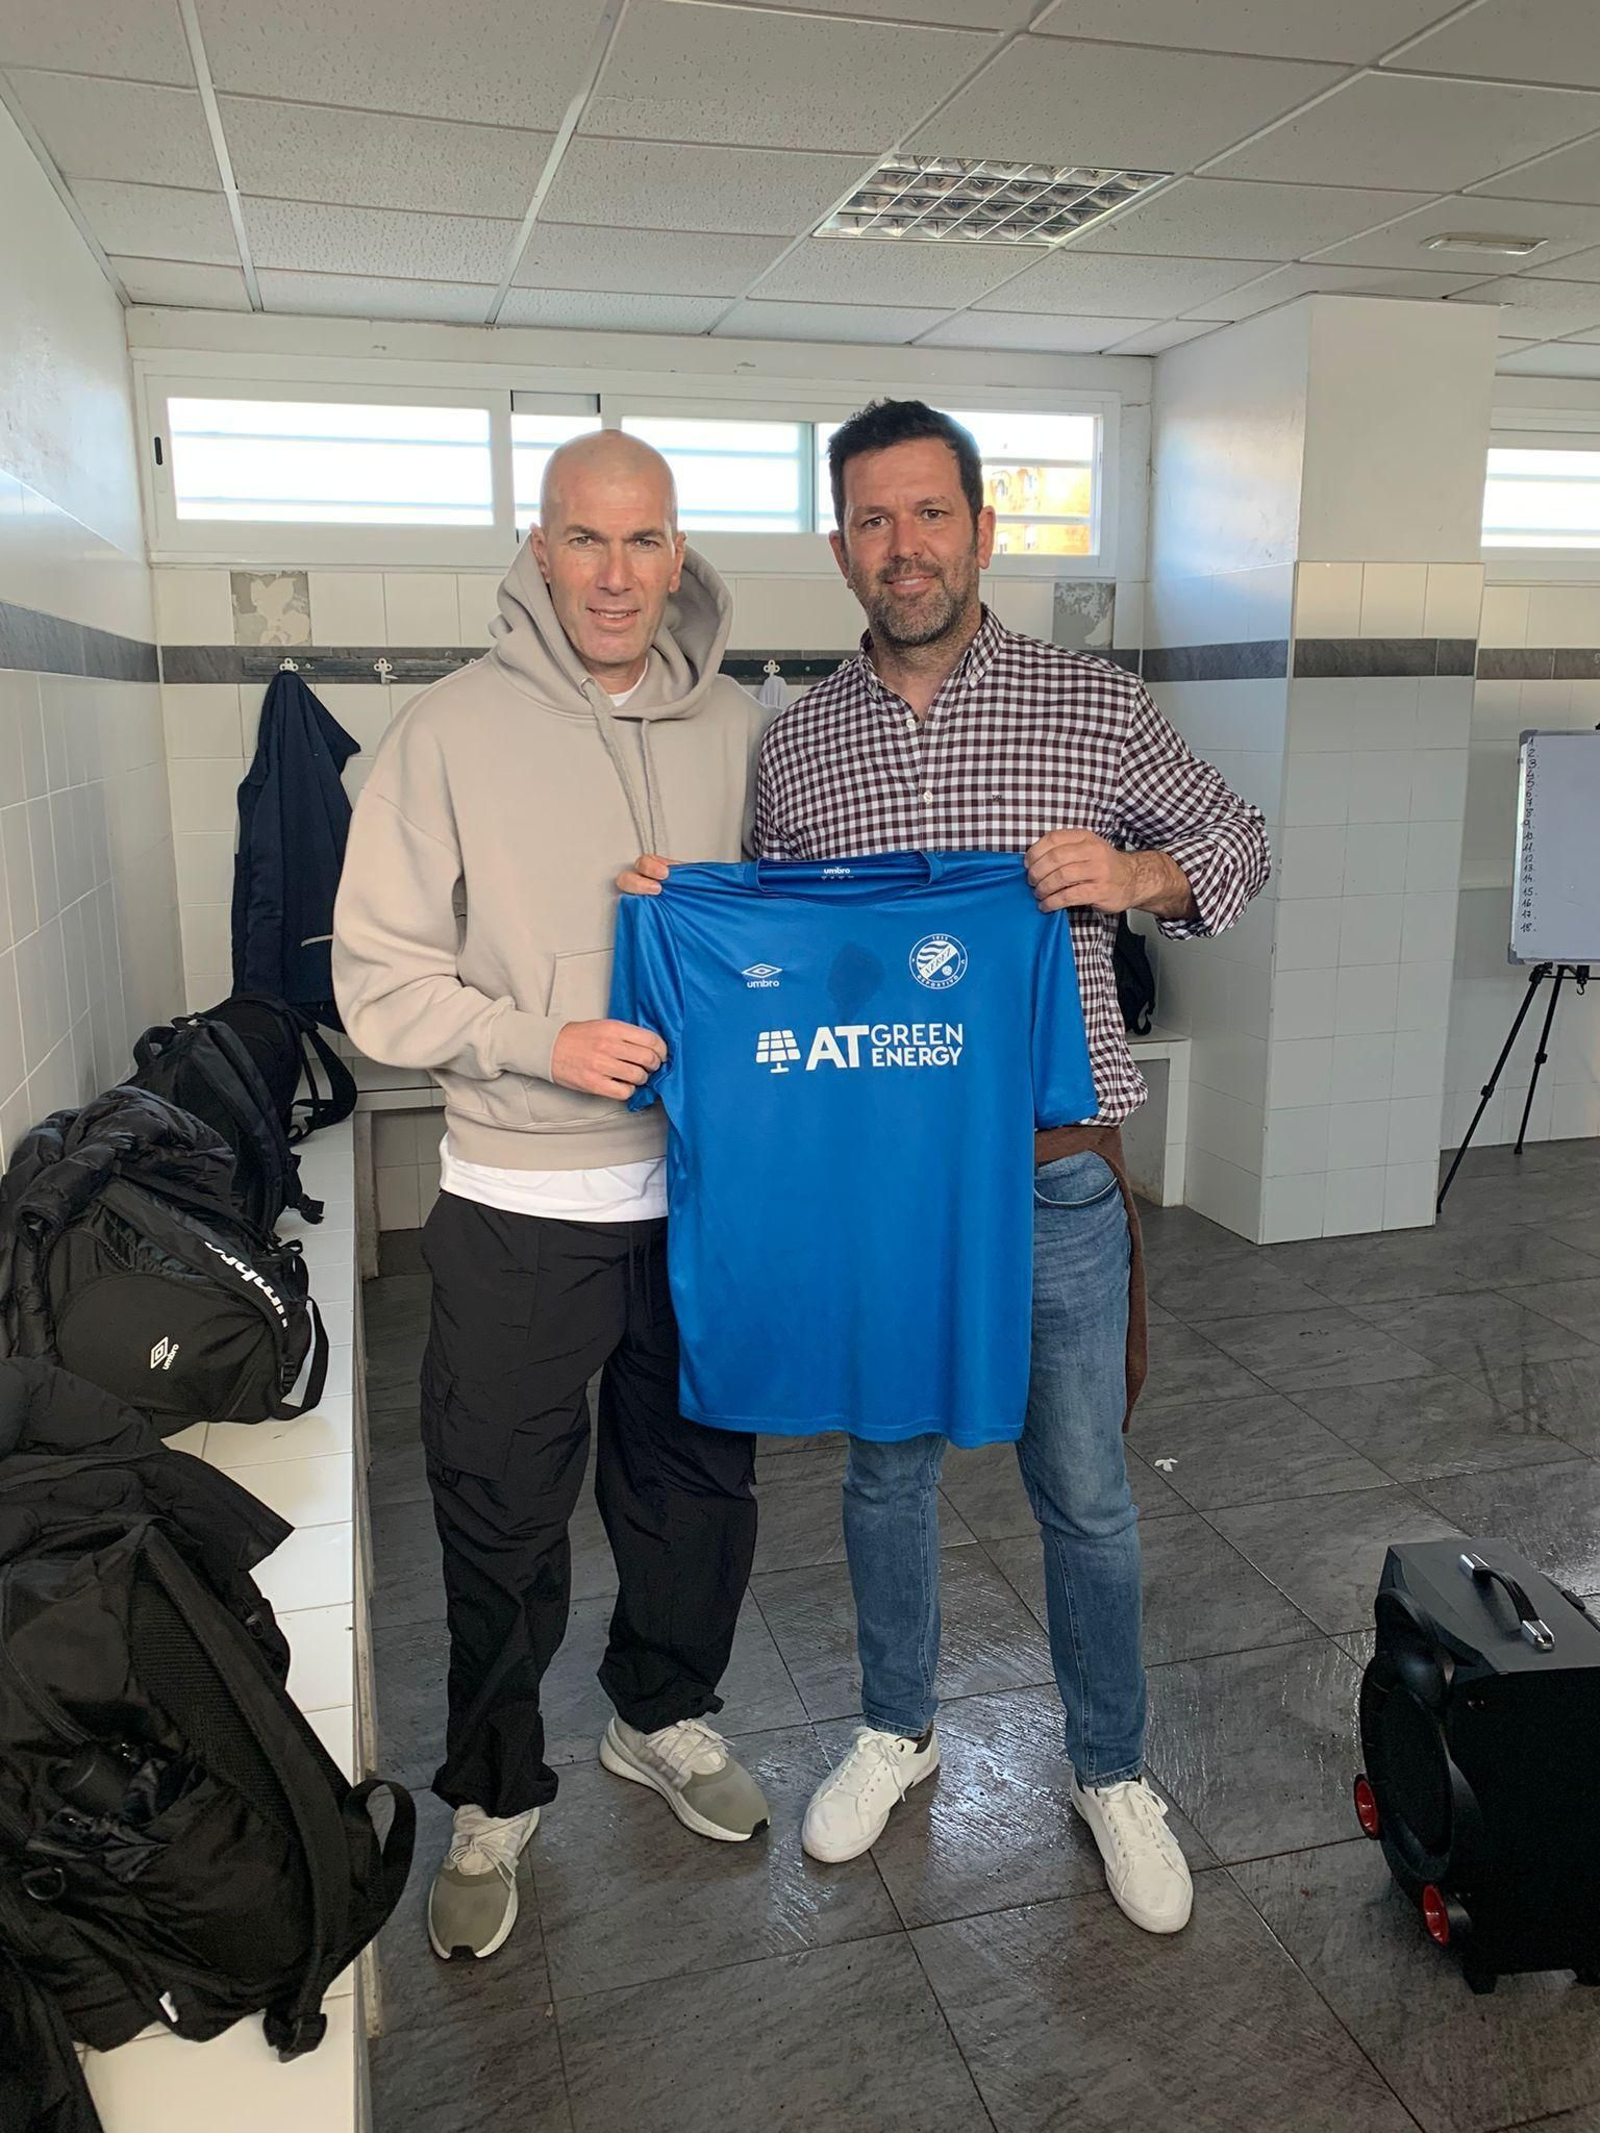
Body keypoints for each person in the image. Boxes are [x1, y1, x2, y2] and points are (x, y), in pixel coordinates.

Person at [621, 398, 1270, 1937]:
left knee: (1085, 1491)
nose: (902, 547)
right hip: (881, 1179)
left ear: (983, 527)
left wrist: (1130, 872)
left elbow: (1240, 849)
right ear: (838, 545)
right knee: (886, 1471)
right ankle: (895, 1729)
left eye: (929, 515)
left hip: (1053, 1176)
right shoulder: (799, 742)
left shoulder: (1093, 708)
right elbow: (777, 947)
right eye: (870, 520)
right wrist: (680, 909)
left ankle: (1109, 1765)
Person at [333, 432, 770, 1965]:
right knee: (501, 1511)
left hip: (705, 1197)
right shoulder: (447, 729)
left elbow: (773, 939)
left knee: (696, 1489)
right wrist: (539, 1037)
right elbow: (377, 981)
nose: (615, 573)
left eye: (644, 541)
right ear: (536, 545)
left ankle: (665, 1711)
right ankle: (498, 1791)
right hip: (522, 1193)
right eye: (585, 540)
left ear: (678, 548)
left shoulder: (741, 726)